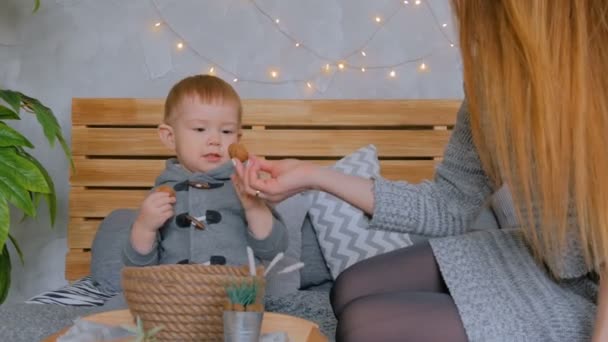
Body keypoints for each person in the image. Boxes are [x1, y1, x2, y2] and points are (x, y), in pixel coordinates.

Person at [232, 1, 607, 341]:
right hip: (538, 257)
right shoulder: (496, 81)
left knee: (366, 325)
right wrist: (313, 176)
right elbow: (449, 206)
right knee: (348, 288)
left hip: (592, 291)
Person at [123, 75, 287, 268]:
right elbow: (137, 265)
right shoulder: (162, 193)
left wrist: (254, 207)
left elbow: (274, 250)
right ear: (170, 137)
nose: (215, 140)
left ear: (238, 138)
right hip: (176, 293)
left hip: (236, 294)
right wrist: (145, 227)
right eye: (200, 129)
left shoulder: (244, 185)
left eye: (226, 131)